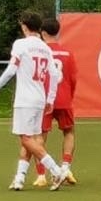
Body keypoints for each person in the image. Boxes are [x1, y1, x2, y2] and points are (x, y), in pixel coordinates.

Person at [0, 11, 67, 191]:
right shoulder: (45, 48)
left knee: (26, 139)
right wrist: (50, 99)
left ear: (24, 26)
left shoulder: (20, 44)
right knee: (29, 139)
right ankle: (19, 178)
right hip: (39, 98)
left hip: (25, 99)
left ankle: (56, 171)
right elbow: (54, 75)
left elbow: (11, 69)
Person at [34, 16, 78, 187]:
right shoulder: (68, 53)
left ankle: (41, 175)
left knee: (39, 137)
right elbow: (73, 78)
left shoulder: (40, 52)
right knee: (69, 132)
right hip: (64, 98)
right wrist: (70, 96)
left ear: (43, 33)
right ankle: (65, 168)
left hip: (44, 99)